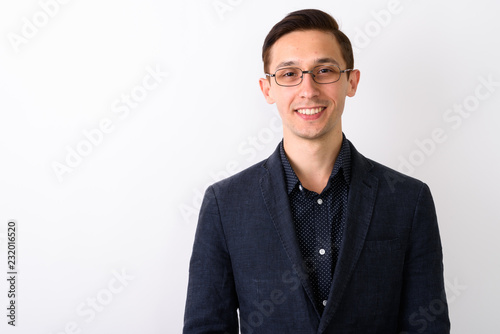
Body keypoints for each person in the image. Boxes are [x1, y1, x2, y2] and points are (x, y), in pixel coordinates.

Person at [183, 8, 450, 334]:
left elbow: (427, 328)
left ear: (351, 81)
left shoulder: (409, 200)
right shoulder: (225, 204)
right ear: (267, 89)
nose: (308, 90)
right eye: (289, 74)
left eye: (324, 70)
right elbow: (206, 327)